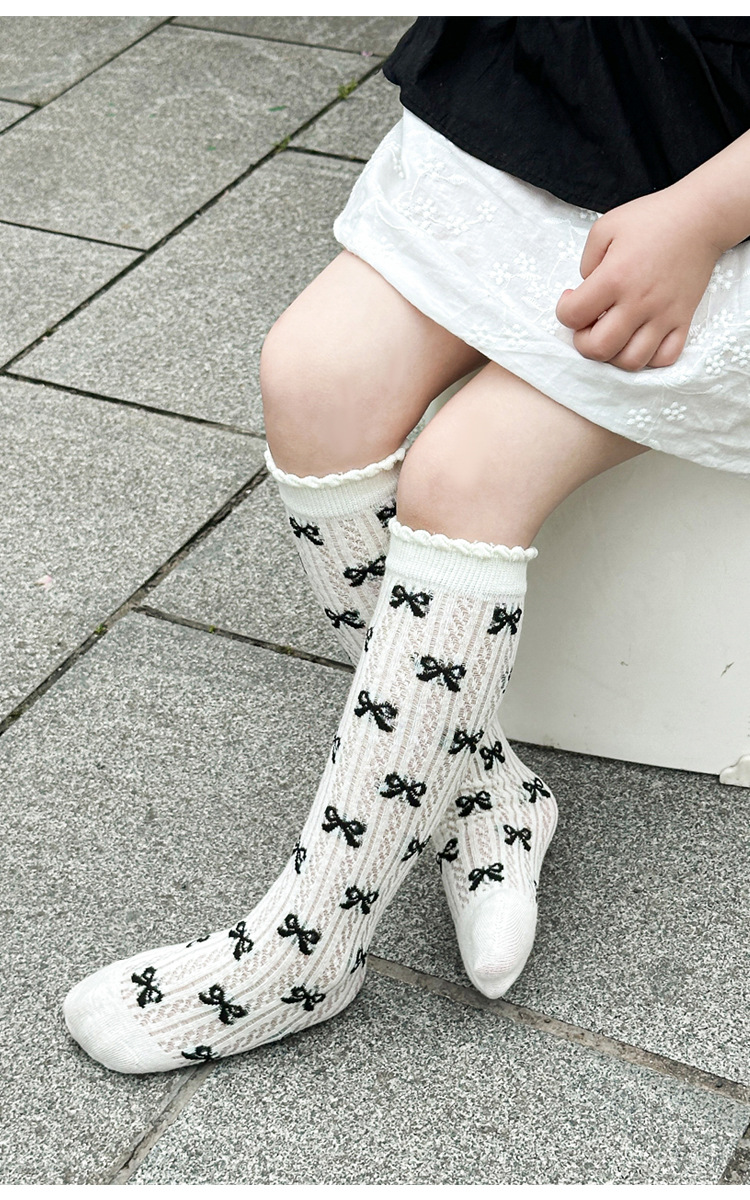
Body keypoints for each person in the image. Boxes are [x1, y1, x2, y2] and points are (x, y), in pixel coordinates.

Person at [63, 17, 750, 1072]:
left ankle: (308, 948)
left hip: (715, 198)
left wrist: (704, 217)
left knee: (467, 475)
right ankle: (484, 793)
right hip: (552, 91)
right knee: (315, 376)